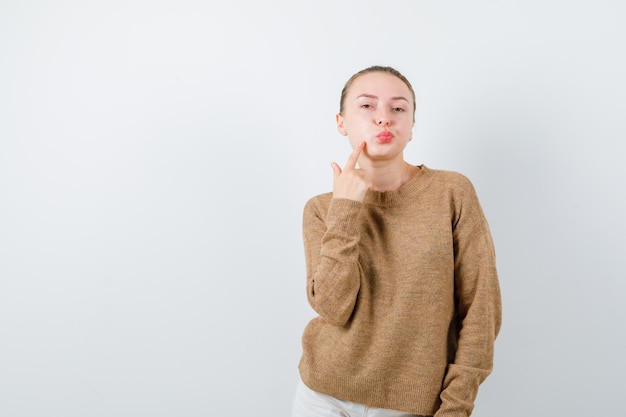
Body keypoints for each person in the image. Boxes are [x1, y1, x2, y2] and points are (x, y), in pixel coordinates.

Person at [292, 66, 502, 417]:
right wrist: (345, 209)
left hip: (410, 402)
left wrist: (456, 406)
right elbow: (333, 308)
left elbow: (482, 310)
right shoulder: (320, 209)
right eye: (367, 106)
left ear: (412, 126)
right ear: (341, 121)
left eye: (398, 108)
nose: (383, 119)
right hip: (321, 394)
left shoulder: (452, 193)